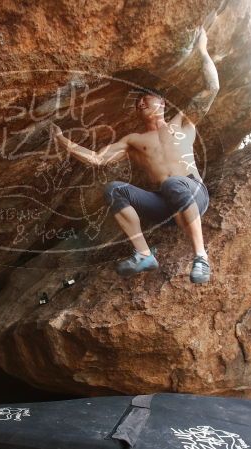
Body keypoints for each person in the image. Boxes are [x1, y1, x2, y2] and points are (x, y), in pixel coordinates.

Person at [51, 27, 219, 282]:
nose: (140, 103)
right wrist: (62, 140)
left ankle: (201, 258)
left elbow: (212, 87)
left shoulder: (183, 123)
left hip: (194, 195)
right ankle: (143, 254)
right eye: (137, 101)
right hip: (166, 207)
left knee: (174, 183)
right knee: (115, 190)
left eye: (146, 98)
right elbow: (97, 158)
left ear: (161, 103)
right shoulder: (133, 141)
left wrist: (202, 49)